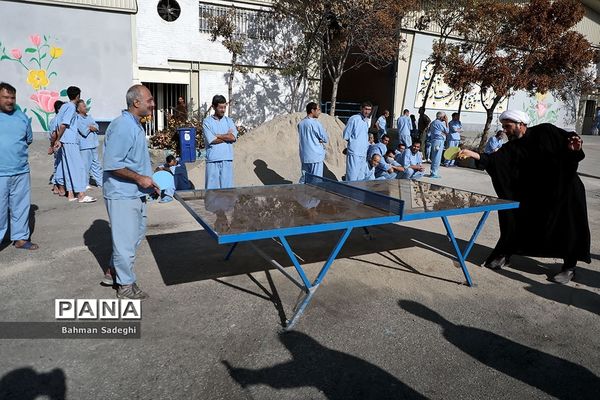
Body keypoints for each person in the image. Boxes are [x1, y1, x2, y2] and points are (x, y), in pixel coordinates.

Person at [458, 110, 590, 284]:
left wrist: (574, 149)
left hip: (565, 190)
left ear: (520, 124)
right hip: (540, 193)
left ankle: (569, 267)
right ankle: (506, 253)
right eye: (503, 127)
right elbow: (494, 161)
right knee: (514, 217)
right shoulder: (512, 147)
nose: (505, 130)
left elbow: (571, 145)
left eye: (508, 126)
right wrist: (473, 154)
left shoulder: (546, 131)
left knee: (567, 226)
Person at [102, 84, 159, 299]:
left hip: (135, 192)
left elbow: (135, 161)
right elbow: (113, 164)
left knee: (135, 235)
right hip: (122, 194)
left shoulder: (135, 125)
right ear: (136, 102)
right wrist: (139, 178)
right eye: (150, 100)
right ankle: (125, 286)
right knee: (125, 242)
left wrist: (149, 181)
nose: (153, 104)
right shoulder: (123, 126)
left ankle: (113, 270)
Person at [0, 82, 38, 250]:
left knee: (21, 207)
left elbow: (28, 140)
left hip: (21, 170)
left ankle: (20, 238)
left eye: (12, 98)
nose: (10, 101)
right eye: (5, 97)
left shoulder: (21, 117)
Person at [53, 86, 95, 203]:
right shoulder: (71, 107)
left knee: (68, 167)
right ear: (77, 96)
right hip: (70, 140)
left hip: (65, 140)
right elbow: (64, 124)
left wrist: (59, 139)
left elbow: (58, 123)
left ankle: (71, 194)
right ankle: (81, 194)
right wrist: (58, 139)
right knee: (78, 167)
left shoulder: (64, 106)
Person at [202, 95, 237, 189]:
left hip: (227, 159)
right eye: (220, 107)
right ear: (214, 107)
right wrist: (226, 136)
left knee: (227, 190)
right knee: (211, 191)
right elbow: (211, 140)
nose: (223, 110)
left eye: (224, 107)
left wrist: (217, 135)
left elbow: (233, 137)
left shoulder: (229, 121)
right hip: (212, 159)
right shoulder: (207, 122)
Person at [297, 102, 329, 183]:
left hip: (305, 156)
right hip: (316, 156)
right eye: (318, 109)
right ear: (312, 110)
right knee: (316, 181)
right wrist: (320, 140)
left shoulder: (301, 123)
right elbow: (325, 138)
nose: (319, 112)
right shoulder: (315, 123)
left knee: (305, 179)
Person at [76, 99, 103, 188]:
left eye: (85, 106)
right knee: (85, 165)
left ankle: (100, 182)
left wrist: (92, 127)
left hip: (93, 144)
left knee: (96, 164)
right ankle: (85, 184)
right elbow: (83, 131)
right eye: (83, 106)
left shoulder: (89, 117)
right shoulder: (77, 119)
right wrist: (91, 127)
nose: (85, 107)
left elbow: (96, 126)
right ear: (78, 109)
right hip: (85, 146)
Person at [343, 102, 372, 181]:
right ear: (361, 108)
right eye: (366, 109)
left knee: (361, 177)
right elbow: (346, 135)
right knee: (352, 177)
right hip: (355, 152)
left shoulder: (366, 121)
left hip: (363, 153)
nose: (367, 112)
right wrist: (353, 144)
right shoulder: (354, 119)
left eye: (369, 110)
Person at [48, 100, 64, 195]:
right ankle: (57, 185)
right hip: (58, 145)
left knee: (58, 165)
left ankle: (55, 186)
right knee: (59, 166)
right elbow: (53, 134)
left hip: (56, 144)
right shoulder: (58, 119)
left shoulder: (55, 119)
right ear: (59, 109)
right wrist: (52, 145)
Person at [428, 111, 449, 178]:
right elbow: (447, 131)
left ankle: (433, 172)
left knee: (434, 157)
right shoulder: (440, 123)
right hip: (439, 141)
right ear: (441, 117)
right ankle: (434, 173)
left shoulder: (433, 122)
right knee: (437, 157)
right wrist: (446, 122)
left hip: (434, 140)